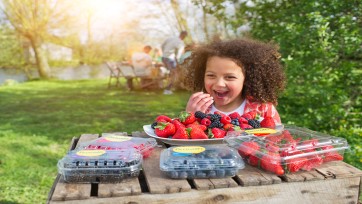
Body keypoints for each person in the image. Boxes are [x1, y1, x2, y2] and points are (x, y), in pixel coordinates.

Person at [183, 38, 286, 124]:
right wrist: (190, 118)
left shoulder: (263, 109)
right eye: (211, 75)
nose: (219, 84)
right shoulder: (198, 108)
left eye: (229, 77)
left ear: (247, 78)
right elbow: (184, 144)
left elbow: (277, 141)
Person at [161, 31, 188, 95]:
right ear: (184, 36)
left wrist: (164, 53)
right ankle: (167, 90)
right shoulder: (180, 43)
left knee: (170, 73)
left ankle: (167, 88)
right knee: (174, 74)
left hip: (164, 57)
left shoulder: (170, 38)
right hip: (170, 59)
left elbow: (162, 45)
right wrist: (178, 61)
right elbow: (179, 54)